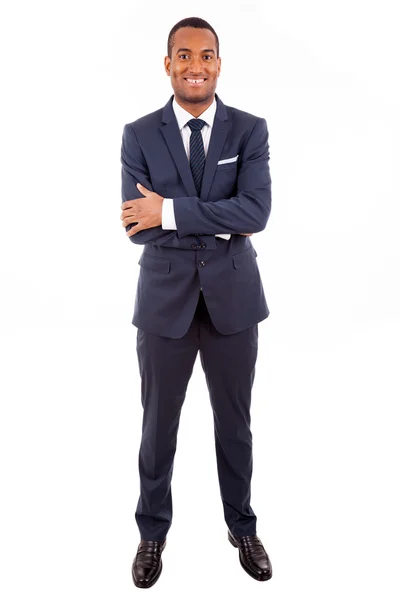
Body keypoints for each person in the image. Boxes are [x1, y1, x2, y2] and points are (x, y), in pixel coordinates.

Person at [120, 16, 273, 588]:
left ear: (218, 63)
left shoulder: (249, 130)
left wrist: (172, 211)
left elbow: (256, 214)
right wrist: (216, 221)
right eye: (184, 55)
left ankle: (242, 525)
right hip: (164, 304)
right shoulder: (139, 134)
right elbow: (137, 227)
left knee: (235, 425)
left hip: (233, 302)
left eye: (206, 55)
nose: (195, 65)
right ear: (168, 64)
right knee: (158, 426)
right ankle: (152, 533)